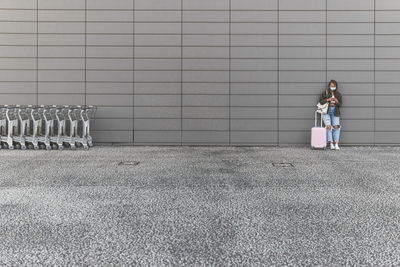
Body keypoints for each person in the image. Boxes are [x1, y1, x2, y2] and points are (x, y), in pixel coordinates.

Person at [319, 80, 343, 150]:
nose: (333, 87)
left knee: (336, 127)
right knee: (328, 126)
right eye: (331, 86)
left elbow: (340, 105)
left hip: (335, 111)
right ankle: (331, 143)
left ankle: (336, 144)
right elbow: (320, 102)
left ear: (336, 86)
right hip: (326, 112)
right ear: (329, 86)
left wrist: (336, 101)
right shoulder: (325, 93)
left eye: (334, 86)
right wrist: (328, 99)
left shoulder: (338, 94)